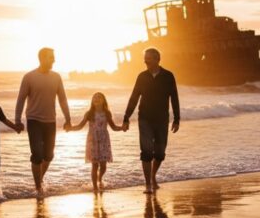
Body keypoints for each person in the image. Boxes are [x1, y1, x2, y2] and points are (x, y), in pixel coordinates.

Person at [122, 48, 180, 193]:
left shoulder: (168, 76)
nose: (145, 61)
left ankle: (153, 176)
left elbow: (174, 97)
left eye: (148, 58)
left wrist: (177, 118)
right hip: (145, 119)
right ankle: (148, 184)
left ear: (157, 59)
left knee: (160, 153)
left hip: (162, 119)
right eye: (145, 58)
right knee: (146, 152)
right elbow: (134, 97)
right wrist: (126, 117)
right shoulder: (142, 76)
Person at [15, 47, 72, 195]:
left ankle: (39, 180)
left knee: (49, 155)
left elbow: (63, 99)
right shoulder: (29, 77)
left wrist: (68, 119)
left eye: (53, 57)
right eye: (50, 57)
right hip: (34, 120)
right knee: (37, 155)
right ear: (42, 58)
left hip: (50, 121)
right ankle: (38, 187)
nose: (53, 60)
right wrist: (17, 120)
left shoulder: (56, 77)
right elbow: (21, 99)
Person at [67, 92, 123, 192]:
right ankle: (95, 187)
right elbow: (80, 126)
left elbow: (113, 127)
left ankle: (100, 178)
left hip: (104, 140)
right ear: (92, 101)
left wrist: (122, 128)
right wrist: (71, 128)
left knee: (103, 166)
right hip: (92, 140)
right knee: (94, 165)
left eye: (99, 97)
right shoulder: (89, 113)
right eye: (94, 97)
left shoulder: (107, 113)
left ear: (103, 100)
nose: (96, 99)